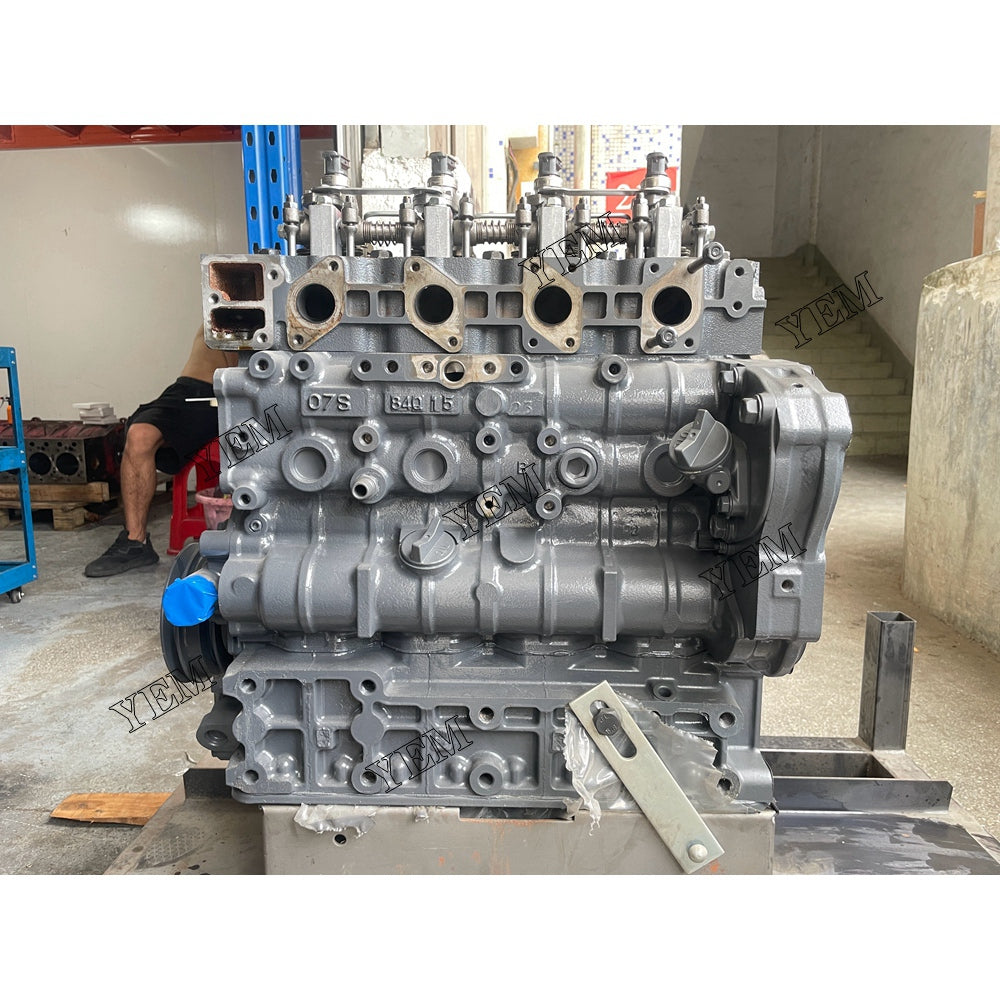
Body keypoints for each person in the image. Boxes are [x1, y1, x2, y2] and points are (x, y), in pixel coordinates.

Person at [84, 326, 238, 578]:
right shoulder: (220, 304)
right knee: (139, 434)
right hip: (193, 390)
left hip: (259, 392)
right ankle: (135, 542)